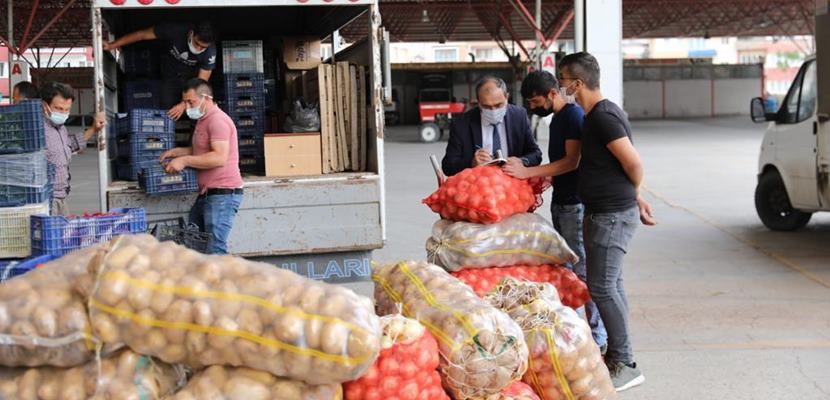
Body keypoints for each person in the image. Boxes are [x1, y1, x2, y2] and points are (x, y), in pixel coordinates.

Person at [556, 52, 656, 392]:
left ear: (578, 83)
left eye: (563, 80)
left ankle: (625, 363)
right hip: (606, 211)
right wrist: (635, 196)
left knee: (602, 288)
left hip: (611, 215)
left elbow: (634, 163)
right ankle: (618, 355)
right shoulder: (596, 115)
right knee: (611, 285)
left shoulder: (603, 117)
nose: (561, 86)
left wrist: (634, 193)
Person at [505, 70, 608, 353]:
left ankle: (597, 338)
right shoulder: (558, 119)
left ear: (552, 93)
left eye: (536, 101)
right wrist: (542, 177)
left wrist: (529, 172)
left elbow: (571, 162)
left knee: (582, 271)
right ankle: (575, 334)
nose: (534, 107)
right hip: (562, 202)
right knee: (567, 270)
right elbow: (559, 165)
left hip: (574, 205)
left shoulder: (572, 117)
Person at [160, 79, 243, 255]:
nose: (188, 107)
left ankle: (221, 282)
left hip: (222, 194)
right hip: (207, 194)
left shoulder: (217, 121)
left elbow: (219, 157)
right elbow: (201, 149)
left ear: (206, 98)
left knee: (215, 249)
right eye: (185, 102)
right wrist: (177, 152)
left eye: (191, 102)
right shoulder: (203, 120)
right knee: (197, 244)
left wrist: (185, 161)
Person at [104, 21, 217, 120]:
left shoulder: (210, 52)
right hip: (170, 75)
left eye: (203, 47)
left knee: (197, 109)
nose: (198, 49)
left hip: (191, 80)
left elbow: (201, 83)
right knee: (166, 108)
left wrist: (184, 104)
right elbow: (141, 35)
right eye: (197, 43)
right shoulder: (174, 30)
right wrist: (111, 45)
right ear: (191, 34)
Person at [442, 76, 542, 176]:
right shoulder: (461, 124)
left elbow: (536, 154)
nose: (493, 111)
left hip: (514, 184)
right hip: (478, 186)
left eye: (499, 105)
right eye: (486, 106)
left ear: (506, 97)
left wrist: (521, 161)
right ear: (478, 102)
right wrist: (471, 163)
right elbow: (447, 166)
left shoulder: (519, 117)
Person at [40, 82, 106, 216]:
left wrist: (93, 129)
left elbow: (70, 145)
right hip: (46, 200)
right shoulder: (39, 130)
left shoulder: (61, 128)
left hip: (61, 198)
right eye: (58, 108)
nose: (64, 113)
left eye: (67, 109)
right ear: (44, 105)